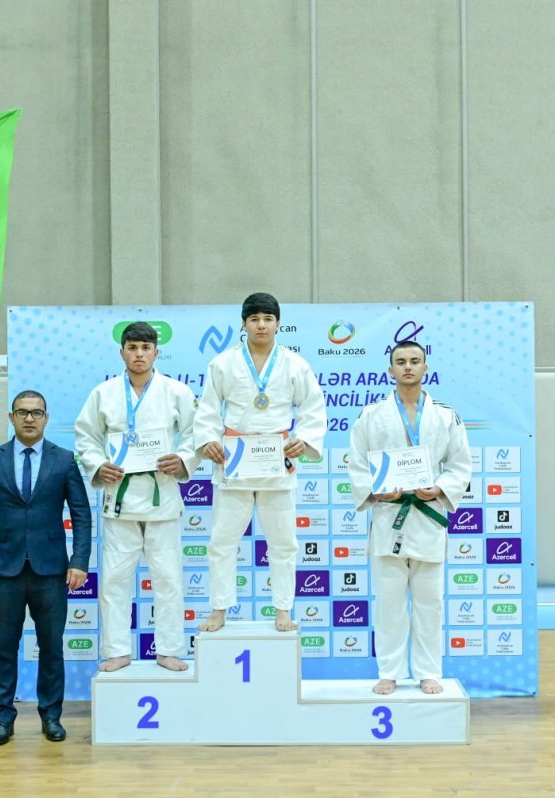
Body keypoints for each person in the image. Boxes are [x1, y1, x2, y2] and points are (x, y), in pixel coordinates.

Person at [0, 390, 91, 746]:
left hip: (51, 571)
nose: (30, 418)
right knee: (4, 648)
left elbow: (81, 515)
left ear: (46, 418)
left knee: (52, 647)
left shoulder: (64, 460)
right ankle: (3, 718)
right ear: (11, 417)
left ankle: (51, 716)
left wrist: (79, 561)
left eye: (36, 413)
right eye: (23, 412)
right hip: (4, 571)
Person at [194, 292, 326, 633]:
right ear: (244, 324)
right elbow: (208, 409)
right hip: (234, 460)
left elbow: (313, 407)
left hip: (276, 460)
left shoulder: (295, 364)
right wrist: (208, 440)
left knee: (283, 543)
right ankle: (219, 609)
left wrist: (304, 439)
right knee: (222, 541)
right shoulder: (223, 363)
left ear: (278, 324)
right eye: (254, 319)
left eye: (268, 319)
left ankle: (283, 609)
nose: (261, 325)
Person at [347, 341, 471, 695]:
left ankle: (429, 671)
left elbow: (460, 463)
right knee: (389, 604)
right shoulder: (372, 415)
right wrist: (376, 491)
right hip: (389, 516)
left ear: (425, 367)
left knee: (430, 603)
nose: (408, 367)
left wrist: (440, 488)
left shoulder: (445, 415)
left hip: (428, 518)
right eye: (400, 362)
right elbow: (357, 462)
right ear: (390, 370)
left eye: (415, 361)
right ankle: (389, 671)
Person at [75, 321, 198, 673]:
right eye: (132, 347)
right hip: (120, 499)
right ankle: (117, 650)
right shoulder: (104, 393)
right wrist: (98, 465)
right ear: (122, 353)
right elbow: (86, 436)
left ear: (156, 352)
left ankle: (169, 649)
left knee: (169, 579)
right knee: (114, 580)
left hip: (162, 497)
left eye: (145, 348)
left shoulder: (176, 391)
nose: (139, 354)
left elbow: (197, 433)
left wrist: (183, 459)